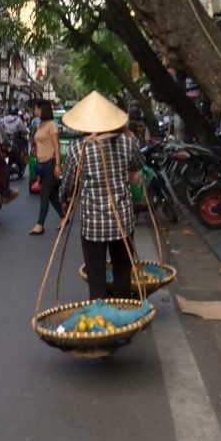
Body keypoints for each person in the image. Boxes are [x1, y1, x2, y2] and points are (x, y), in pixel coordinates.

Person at [59, 91, 142, 299]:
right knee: (123, 274)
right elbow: (138, 164)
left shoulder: (78, 148)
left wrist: (64, 198)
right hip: (122, 220)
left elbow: (68, 183)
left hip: (93, 224)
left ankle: (102, 316)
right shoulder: (128, 142)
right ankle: (124, 316)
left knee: (96, 279)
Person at [29, 99, 63, 235]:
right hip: (41, 165)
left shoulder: (52, 125)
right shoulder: (40, 125)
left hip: (50, 163)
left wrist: (58, 165)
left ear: (42, 109)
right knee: (51, 195)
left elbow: (56, 146)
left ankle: (40, 224)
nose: (34, 110)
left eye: (36, 108)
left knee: (44, 193)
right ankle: (64, 216)